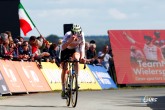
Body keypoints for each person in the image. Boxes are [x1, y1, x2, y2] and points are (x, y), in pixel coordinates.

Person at [60, 24, 85, 99]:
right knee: (64, 68)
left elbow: (82, 47)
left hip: (75, 49)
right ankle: (63, 88)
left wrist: (82, 57)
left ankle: (77, 79)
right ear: (72, 32)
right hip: (66, 50)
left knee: (77, 60)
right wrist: (69, 41)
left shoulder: (82, 34)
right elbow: (62, 47)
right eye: (75, 33)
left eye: (78, 32)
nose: (77, 34)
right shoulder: (67, 35)